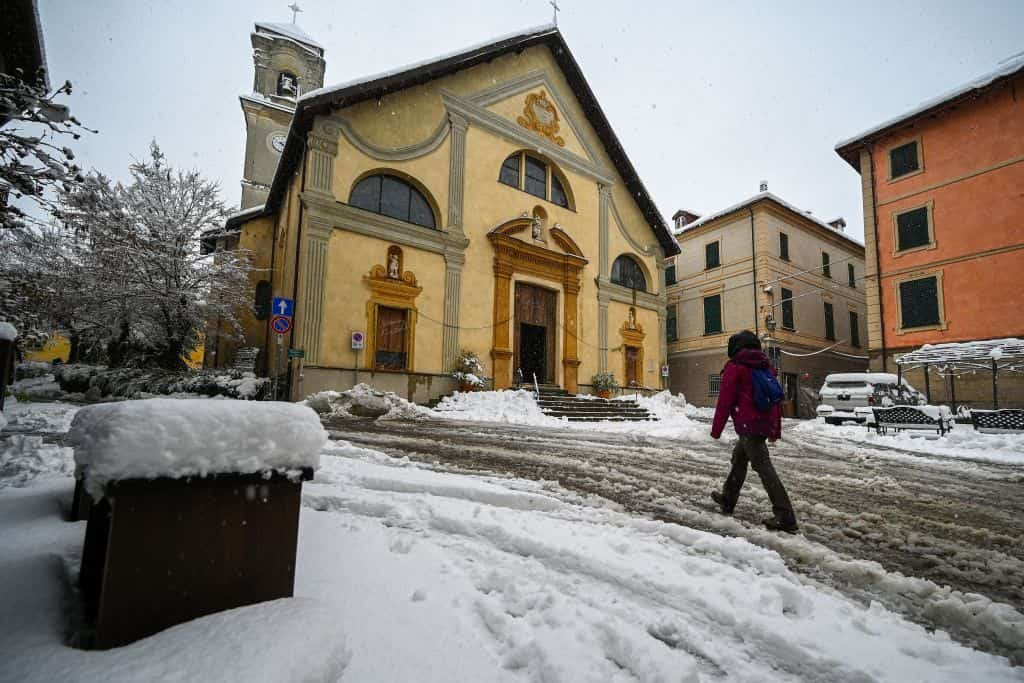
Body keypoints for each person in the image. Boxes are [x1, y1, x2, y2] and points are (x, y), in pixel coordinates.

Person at [709, 330, 799, 533]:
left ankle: (786, 517)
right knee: (739, 459)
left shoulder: (736, 367)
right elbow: (776, 401)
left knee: (765, 469)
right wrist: (774, 428)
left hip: (749, 425)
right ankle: (728, 499)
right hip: (760, 424)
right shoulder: (765, 366)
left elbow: (725, 401)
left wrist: (716, 430)